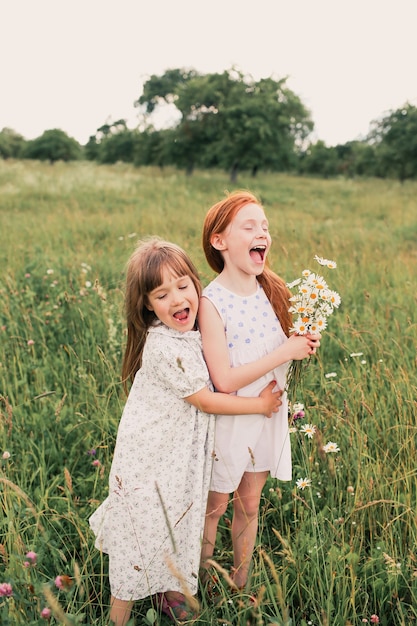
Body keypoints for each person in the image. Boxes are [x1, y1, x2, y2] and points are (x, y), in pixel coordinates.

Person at [89, 236, 283, 626]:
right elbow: (207, 400)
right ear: (146, 304)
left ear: (197, 284)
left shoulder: (189, 334)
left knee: (173, 526)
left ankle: (168, 590)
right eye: (162, 295)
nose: (178, 300)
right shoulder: (165, 347)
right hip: (150, 462)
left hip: (173, 459)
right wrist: (260, 406)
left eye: (183, 287)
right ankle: (117, 617)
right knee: (138, 538)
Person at [199, 191, 321, 591]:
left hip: (267, 415)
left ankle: (240, 584)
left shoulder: (273, 291)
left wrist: (301, 344)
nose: (262, 233)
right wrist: (284, 351)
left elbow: (280, 349)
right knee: (214, 507)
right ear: (219, 241)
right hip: (230, 419)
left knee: (249, 504)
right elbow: (224, 381)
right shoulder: (210, 302)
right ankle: (194, 584)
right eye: (249, 227)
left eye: (265, 227)